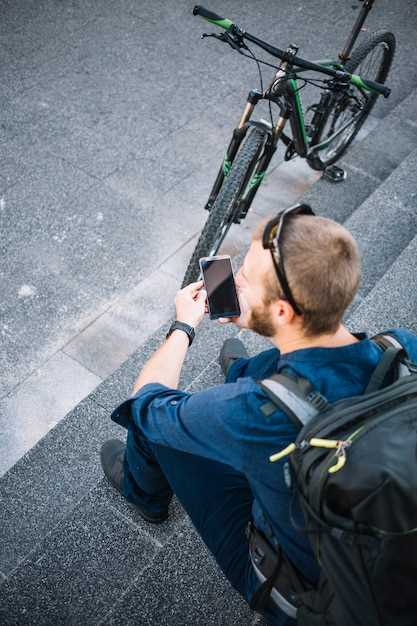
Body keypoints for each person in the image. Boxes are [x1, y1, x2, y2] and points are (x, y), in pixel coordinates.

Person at [101, 205, 417, 626]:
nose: (233, 280)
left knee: (157, 426)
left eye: (244, 278)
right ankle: (243, 369)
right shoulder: (401, 348)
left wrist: (184, 325)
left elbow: (148, 400)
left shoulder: (254, 412)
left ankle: (144, 494)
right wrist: (257, 317)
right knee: (283, 365)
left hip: (296, 589)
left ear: (283, 311)